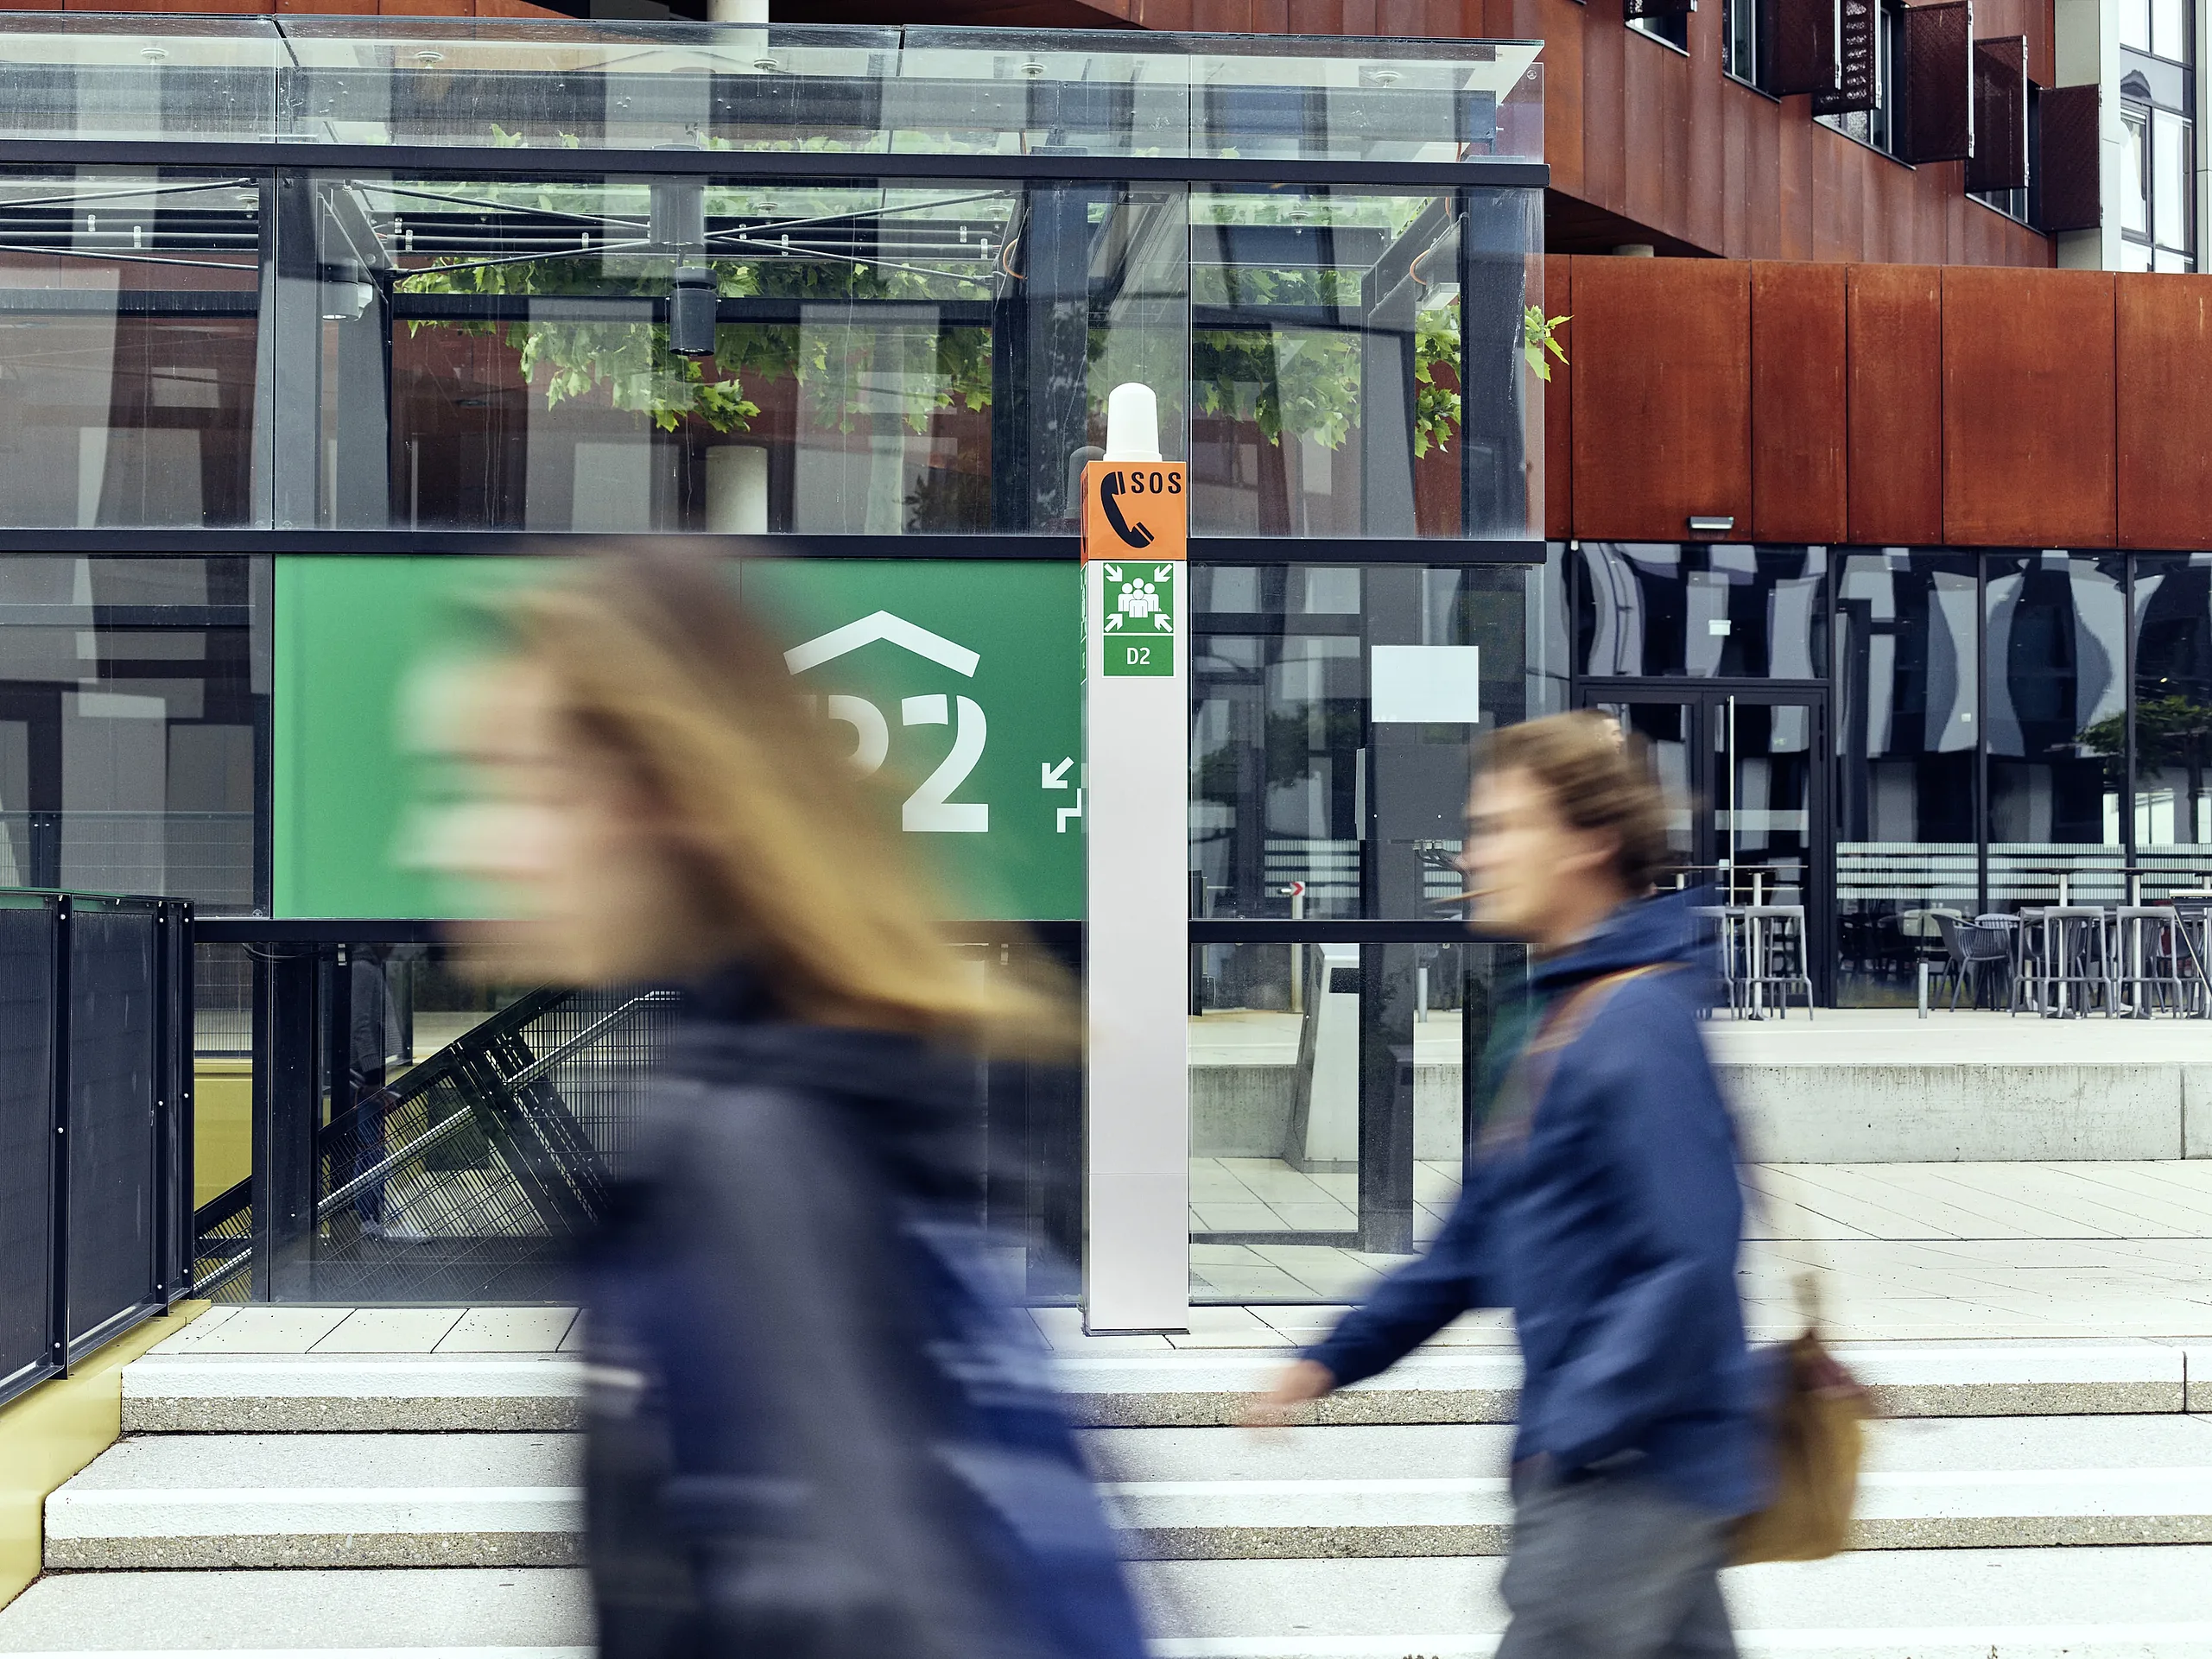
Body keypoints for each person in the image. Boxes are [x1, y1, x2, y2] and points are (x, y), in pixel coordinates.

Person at [420, 551, 1150, 1659]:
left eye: (523, 788)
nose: (456, 844)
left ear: (665, 800)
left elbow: (847, 1604)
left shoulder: (751, 1137)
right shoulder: (835, 1077)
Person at [1251, 710, 1762, 1658]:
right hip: (1626, 1458)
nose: (1469, 856)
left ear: (1588, 841)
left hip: (1628, 1470)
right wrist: (1330, 1358)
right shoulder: (1549, 1019)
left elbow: (1689, 1257)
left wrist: (1573, 1432)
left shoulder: (1633, 1023)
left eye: (1500, 828)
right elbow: (1469, 1246)